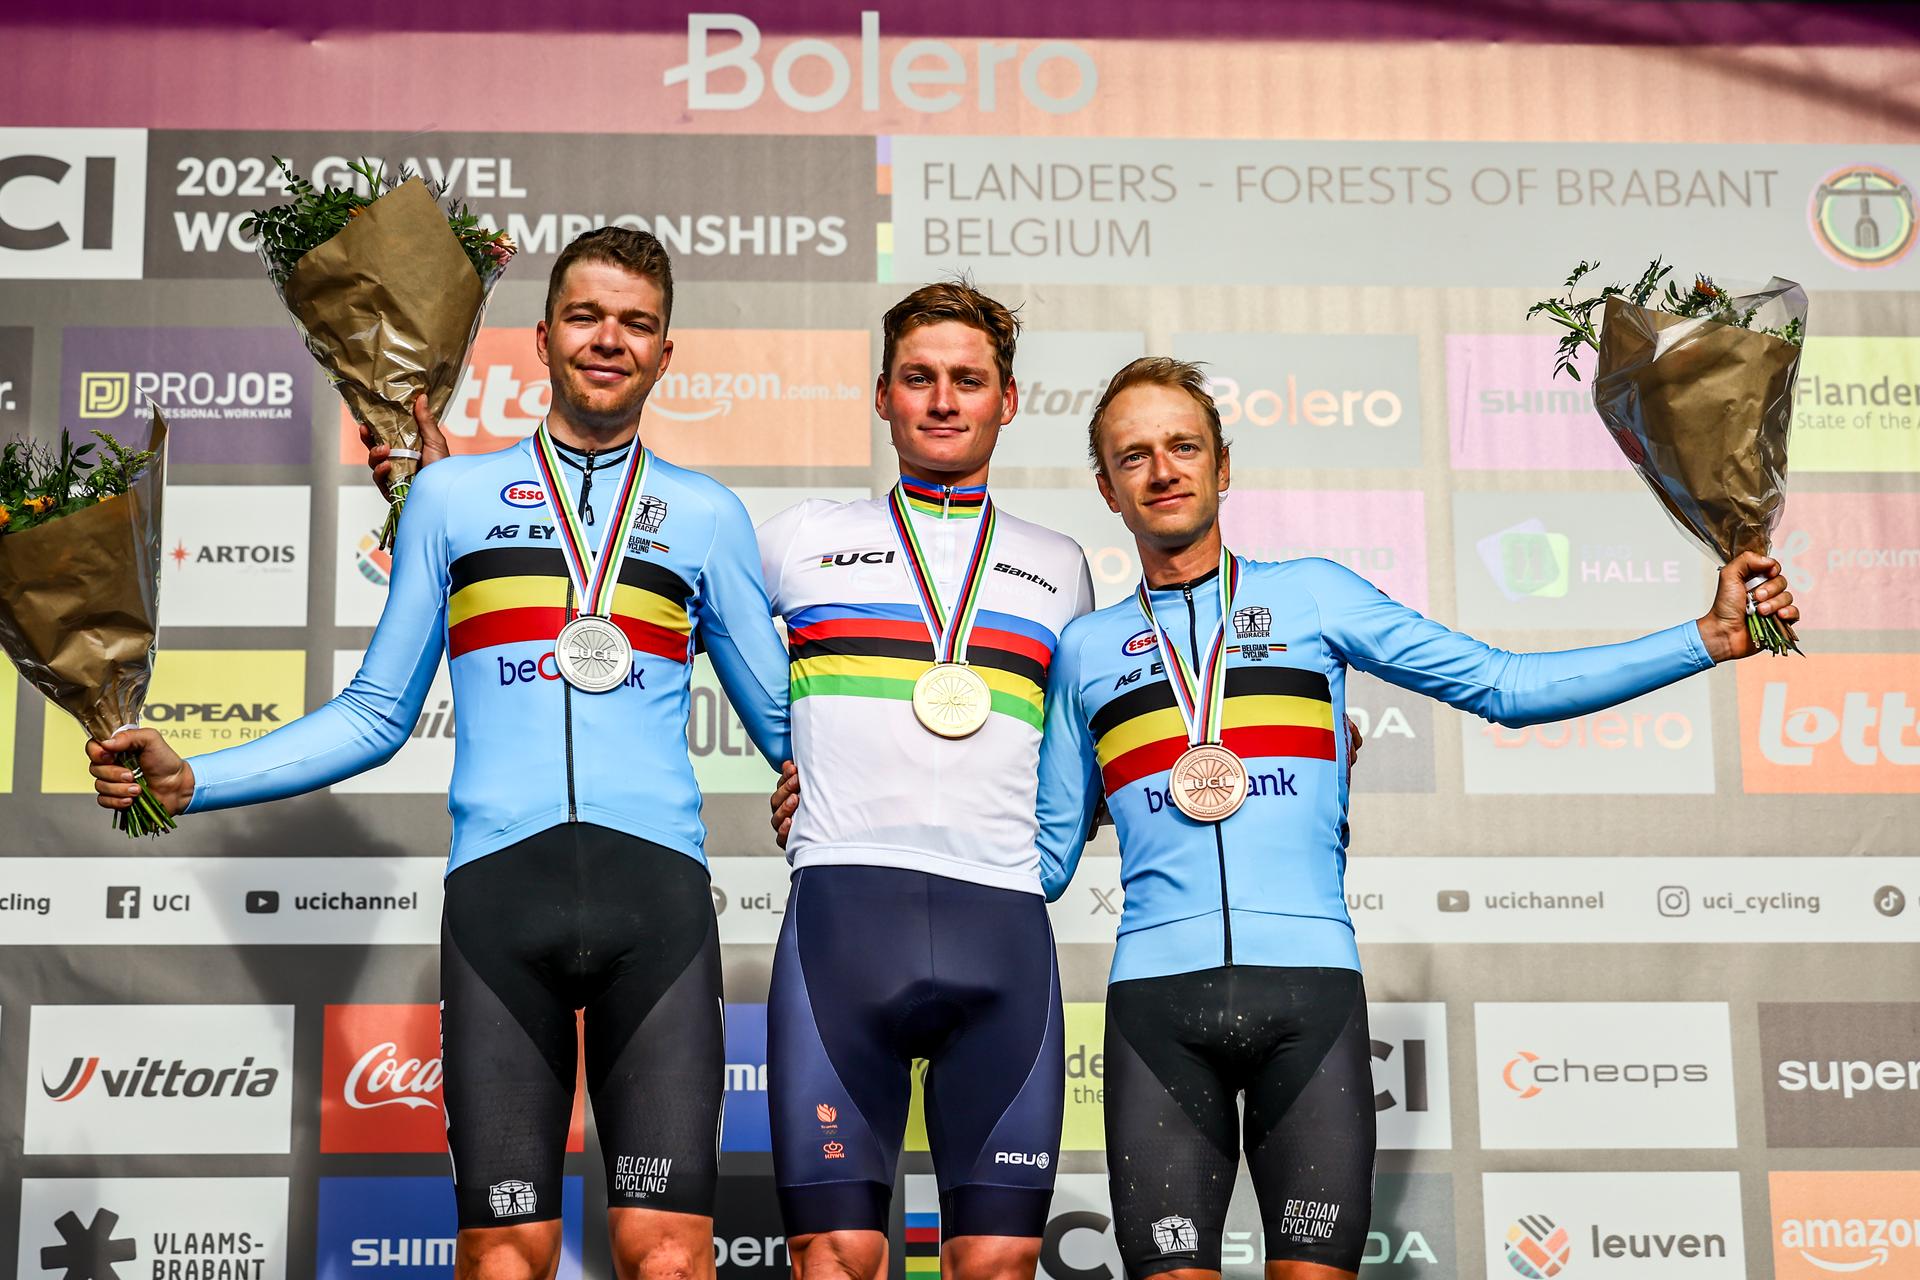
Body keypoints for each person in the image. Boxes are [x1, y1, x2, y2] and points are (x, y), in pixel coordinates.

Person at [89, 227, 791, 1280]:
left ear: (665, 352)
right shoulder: (449, 500)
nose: (609, 339)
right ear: (542, 337)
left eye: (636, 323)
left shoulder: (709, 517)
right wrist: (196, 778)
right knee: (502, 1257)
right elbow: (376, 713)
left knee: (670, 1257)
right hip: (501, 906)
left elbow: (788, 726)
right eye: (586, 316)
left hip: (660, 912)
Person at [1032, 357, 1800, 1280]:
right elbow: (1043, 856)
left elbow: (1505, 686)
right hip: (1156, 1010)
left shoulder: (1313, 594)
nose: (1163, 470)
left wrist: (1706, 638)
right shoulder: (1084, 650)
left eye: (1184, 447)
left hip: (1308, 1001)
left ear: (1223, 466)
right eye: (1134, 456)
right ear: (1108, 489)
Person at [756, 281, 1094, 1280]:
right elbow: (647, 633)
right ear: (882, 395)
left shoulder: (1061, 565)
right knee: (835, 1256)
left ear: (1008, 399)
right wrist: (792, 754)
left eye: (968, 380)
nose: (944, 400)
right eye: (919, 377)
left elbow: (1095, 739)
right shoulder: (801, 537)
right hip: (843, 921)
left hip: (1004, 929)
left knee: (997, 1264)